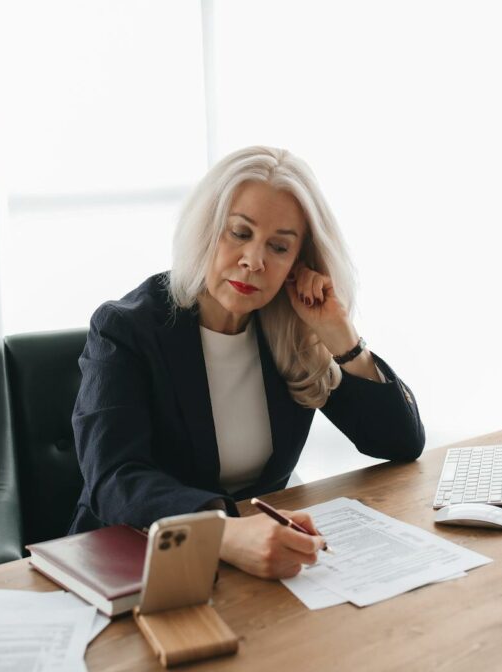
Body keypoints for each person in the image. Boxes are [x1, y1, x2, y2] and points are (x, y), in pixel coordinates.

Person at [68, 145, 425, 579]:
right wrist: (224, 533)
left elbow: (400, 444)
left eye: (278, 247)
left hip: (261, 565)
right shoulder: (124, 330)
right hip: (140, 562)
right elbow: (114, 478)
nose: (254, 261)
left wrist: (340, 335)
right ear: (207, 229)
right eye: (240, 233)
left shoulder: (289, 328)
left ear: (298, 262)